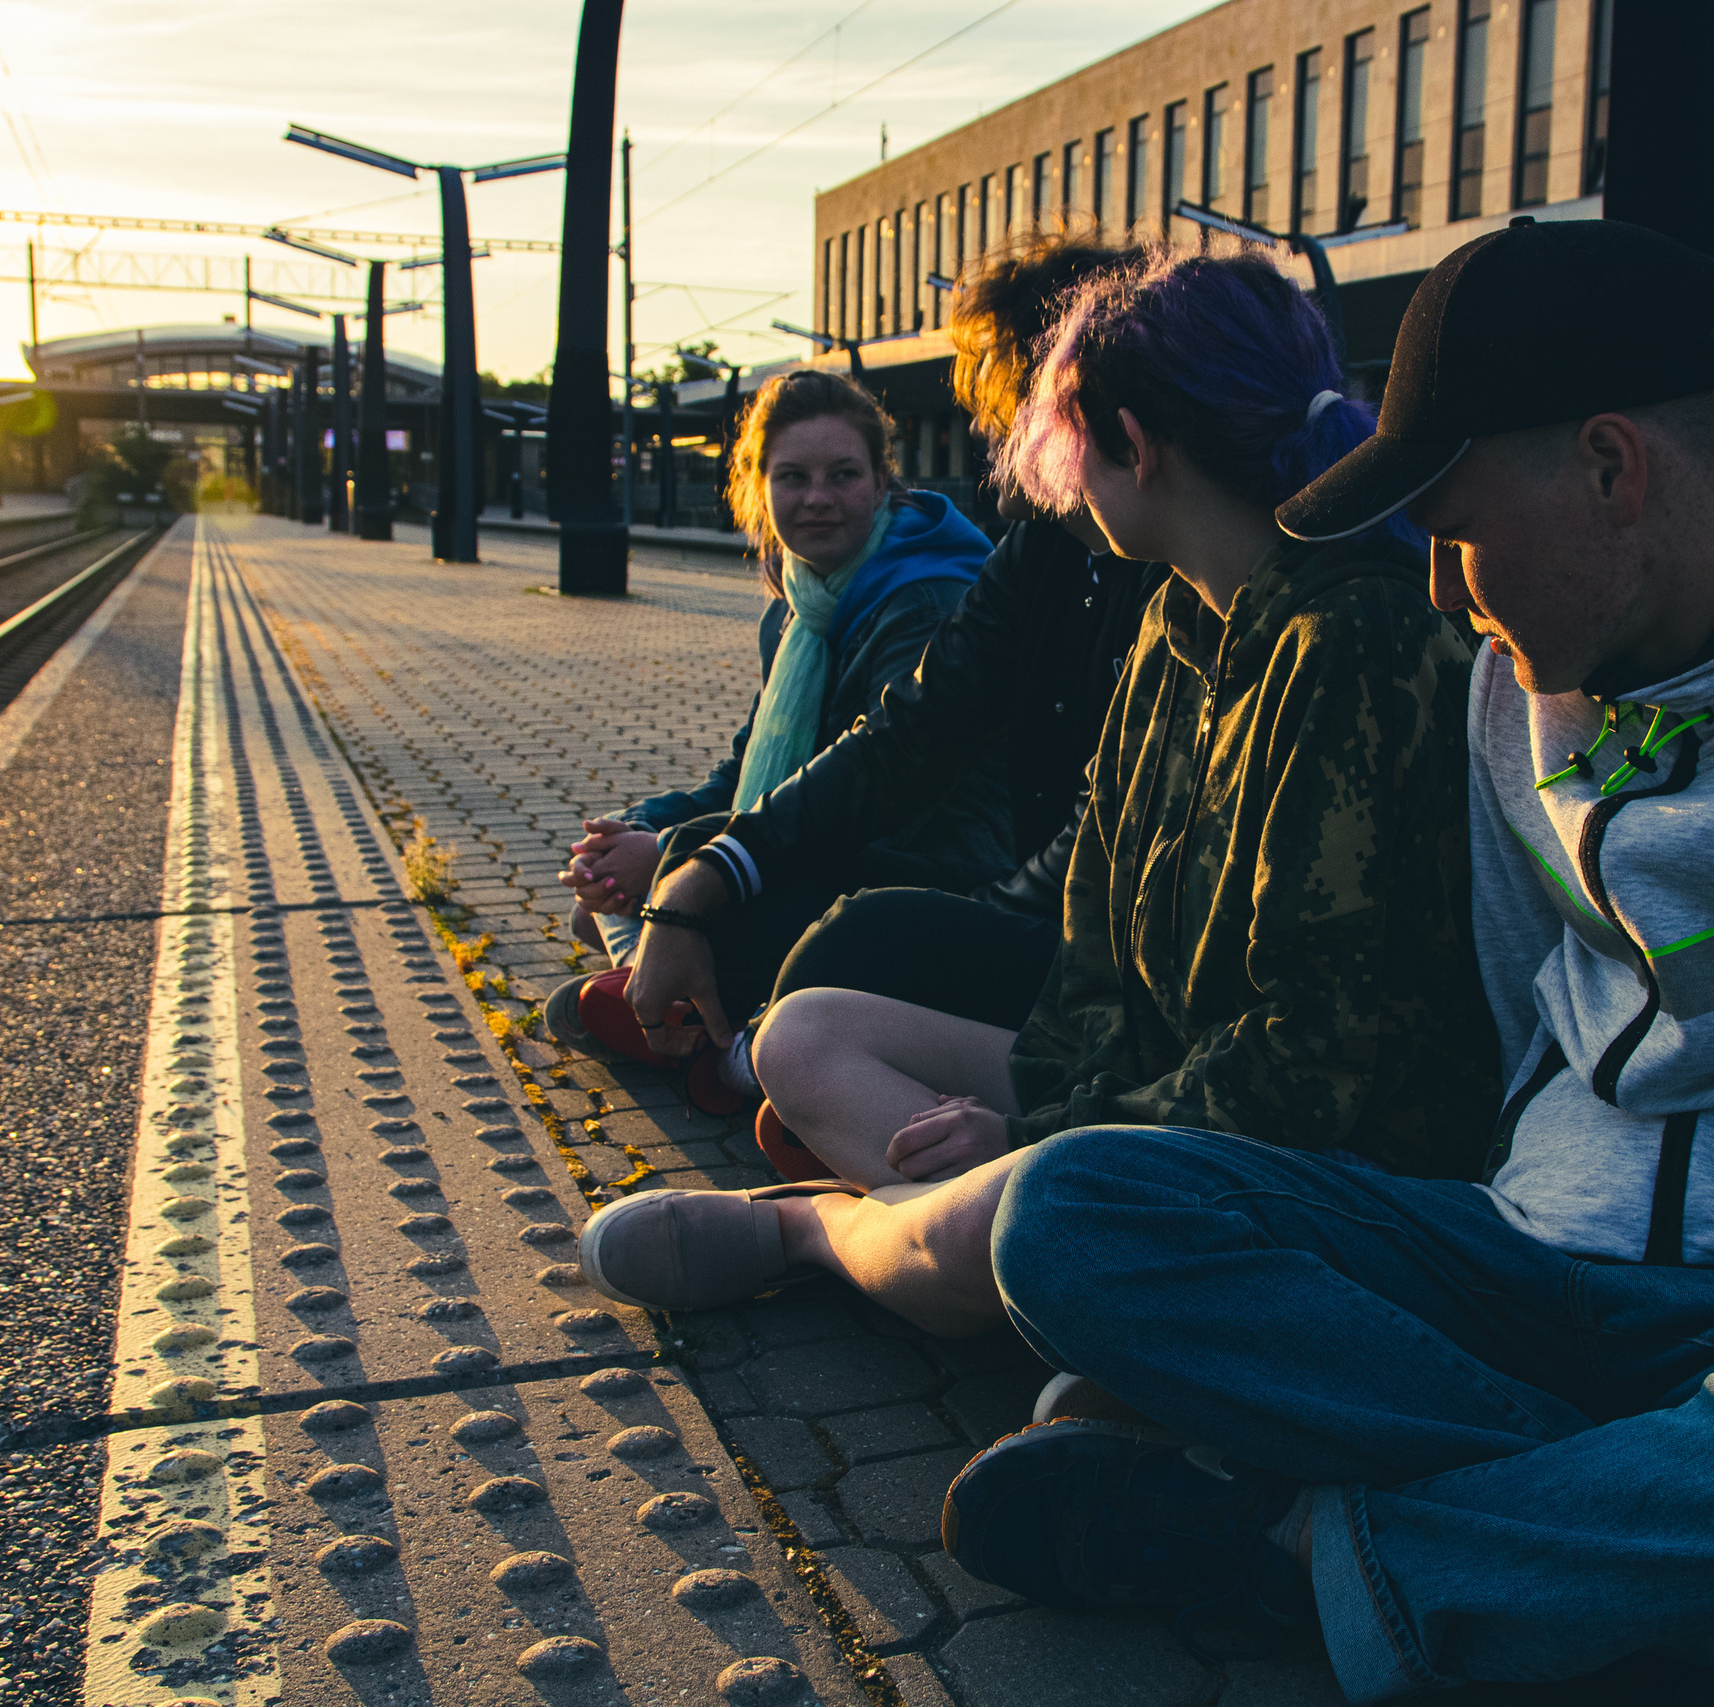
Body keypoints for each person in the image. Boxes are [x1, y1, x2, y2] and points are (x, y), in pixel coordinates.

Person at [938, 220, 1714, 1706]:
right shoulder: (1511, 687)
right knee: (1073, 1203)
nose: (1446, 588)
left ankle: (1301, 1547)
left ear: (1613, 468)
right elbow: (1516, 1000)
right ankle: (1643, 1535)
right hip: (1524, 1266)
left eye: (1458, 528)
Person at [576, 245, 1502, 1335]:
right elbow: (1094, 949)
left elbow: (1312, 1065)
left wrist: (1031, 1141)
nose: (1050, 476)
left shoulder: (1352, 640)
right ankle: (999, 1266)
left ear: (1134, 446)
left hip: (1316, 1154)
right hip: (1146, 1092)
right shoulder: (1177, 618)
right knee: (804, 1034)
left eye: (1061, 435)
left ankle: (822, 1232)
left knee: (1033, 1216)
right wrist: (1040, 1109)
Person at [574, 233, 1165, 1143]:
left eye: (1013, 409)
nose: (1004, 448)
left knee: (835, 937)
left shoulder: (1136, 581)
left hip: (1072, 933)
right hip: (1049, 920)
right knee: (701, 874)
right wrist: (689, 871)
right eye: (792, 477)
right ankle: (759, 1046)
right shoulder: (1039, 548)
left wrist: (697, 870)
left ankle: (739, 1054)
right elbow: (891, 736)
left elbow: (932, 776)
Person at [546, 368, 1004, 1080]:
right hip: (816, 845)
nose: (817, 498)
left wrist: (671, 857)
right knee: (604, 896)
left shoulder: (925, 603)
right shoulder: (801, 605)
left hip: (919, 866)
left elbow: (874, 793)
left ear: (883, 481)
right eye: (792, 477)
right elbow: (744, 771)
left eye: (843, 474)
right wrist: (635, 830)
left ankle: (707, 1030)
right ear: (758, 486)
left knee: (651, 922)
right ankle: (685, 1005)